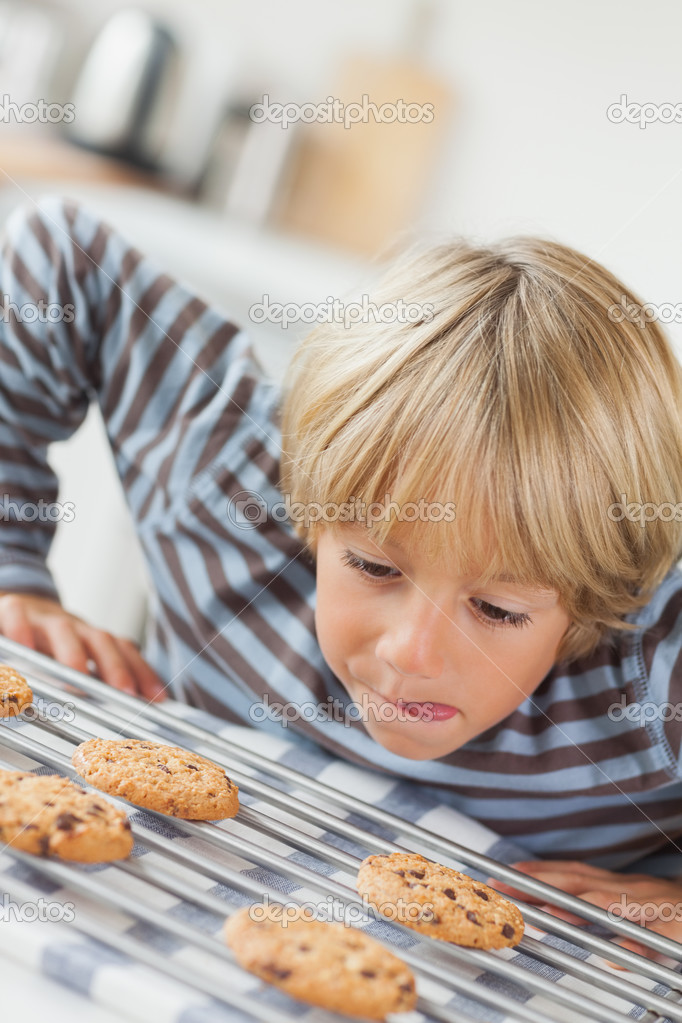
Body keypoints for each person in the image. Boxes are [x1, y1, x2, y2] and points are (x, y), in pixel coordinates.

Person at [1, 196, 682, 960]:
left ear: (600, 596)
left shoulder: (653, 666)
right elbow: (53, 254)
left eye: (495, 607)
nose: (412, 653)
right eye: (373, 565)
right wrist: (13, 575)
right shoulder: (227, 486)